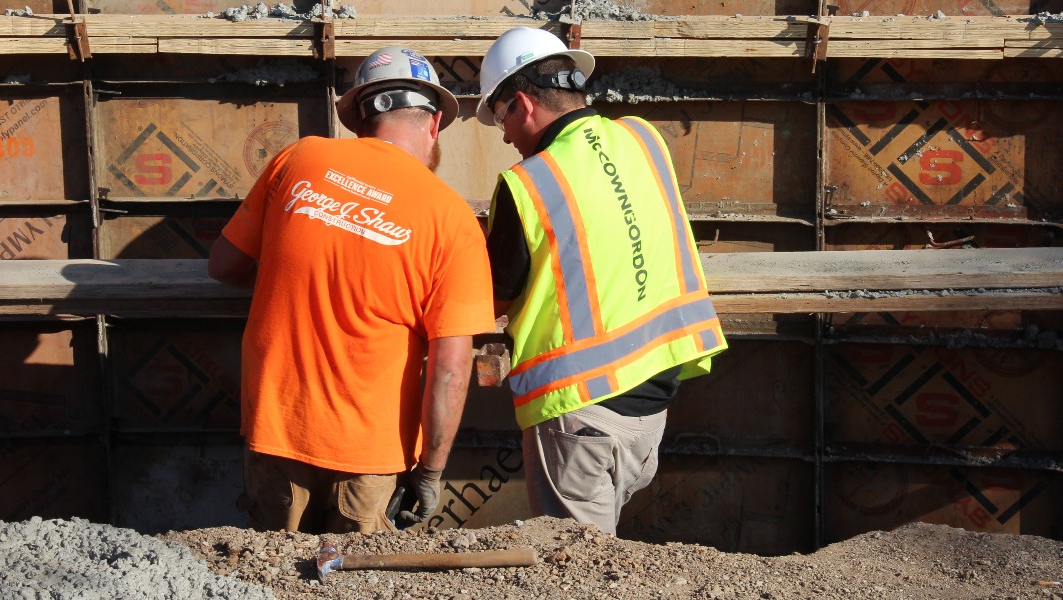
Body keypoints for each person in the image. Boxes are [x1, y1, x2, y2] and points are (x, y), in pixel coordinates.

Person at [208, 46, 494, 534]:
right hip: (371, 451)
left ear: (360, 120)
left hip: (276, 426)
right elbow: (450, 367)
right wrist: (431, 471)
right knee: (357, 578)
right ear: (432, 124)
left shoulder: (299, 158)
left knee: (269, 574)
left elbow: (223, 264)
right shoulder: (452, 218)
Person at [476, 27, 728, 535]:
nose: (504, 136)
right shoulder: (643, 139)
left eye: (501, 119)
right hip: (651, 405)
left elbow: (493, 296)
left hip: (579, 414)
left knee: (577, 570)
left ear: (522, 105)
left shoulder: (526, 183)